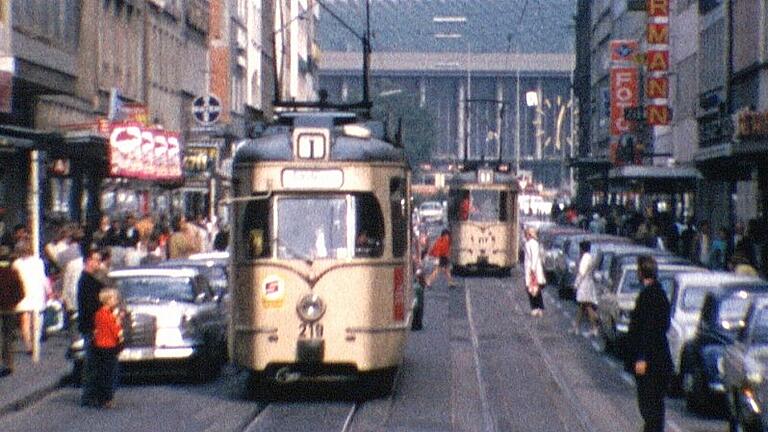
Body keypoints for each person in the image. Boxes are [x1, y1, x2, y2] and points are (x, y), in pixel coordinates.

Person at [626, 255, 673, 432]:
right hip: (659, 360)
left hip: (650, 362)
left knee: (649, 405)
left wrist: (641, 357)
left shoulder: (649, 296)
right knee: (654, 406)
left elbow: (648, 330)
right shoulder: (660, 294)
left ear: (641, 272)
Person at [77, 249, 106, 407]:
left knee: (94, 361)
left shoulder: (89, 279)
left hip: (92, 325)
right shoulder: (87, 281)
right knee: (92, 362)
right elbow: (90, 306)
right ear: (88, 261)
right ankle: (89, 395)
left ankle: (92, 393)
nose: (98, 263)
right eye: (96, 260)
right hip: (91, 326)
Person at [88, 287, 123, 408]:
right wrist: (118, 323)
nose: (117, 300)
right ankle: (107, 398)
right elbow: (115, 331)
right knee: (109, 373)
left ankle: (98, 396)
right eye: (114, 298)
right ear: (108, 300)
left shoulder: (98, 314)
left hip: (98, 346)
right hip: (109, 346)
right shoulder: (108, 315)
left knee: (101, 372)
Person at [12, 241, 47, 362]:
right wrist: (48, 289)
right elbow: (43, 277)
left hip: (24, 292)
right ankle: (34, 342)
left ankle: (29, 345)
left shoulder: (17, 263)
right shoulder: (38, 262)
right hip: (35, 292)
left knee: (25, 319)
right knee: (35, 319)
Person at [0, 246, 23, 376]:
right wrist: (14, 302)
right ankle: (8, 363)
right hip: (9, 309)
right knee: (8, 337)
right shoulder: (13, 272)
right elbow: (21, 292)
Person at [572, 240, 599, 336]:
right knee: (583, 306)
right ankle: (576, 327)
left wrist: (576, 285)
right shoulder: (591, 257)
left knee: (587, 306)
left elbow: (581, 273)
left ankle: (594, 327)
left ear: (582, 249)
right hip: (589, 283)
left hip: (584, 285)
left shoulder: (584, 258)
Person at [523, 226, 546, 316]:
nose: (525, 236)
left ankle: (536, 308)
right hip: (531, 269)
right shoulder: (530, 243)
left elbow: (535, 257)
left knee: (532, 289)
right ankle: (538, 307)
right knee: (534, 289)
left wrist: (532, 269)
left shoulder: (532, 243)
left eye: (526, 234)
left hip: (533, 270)